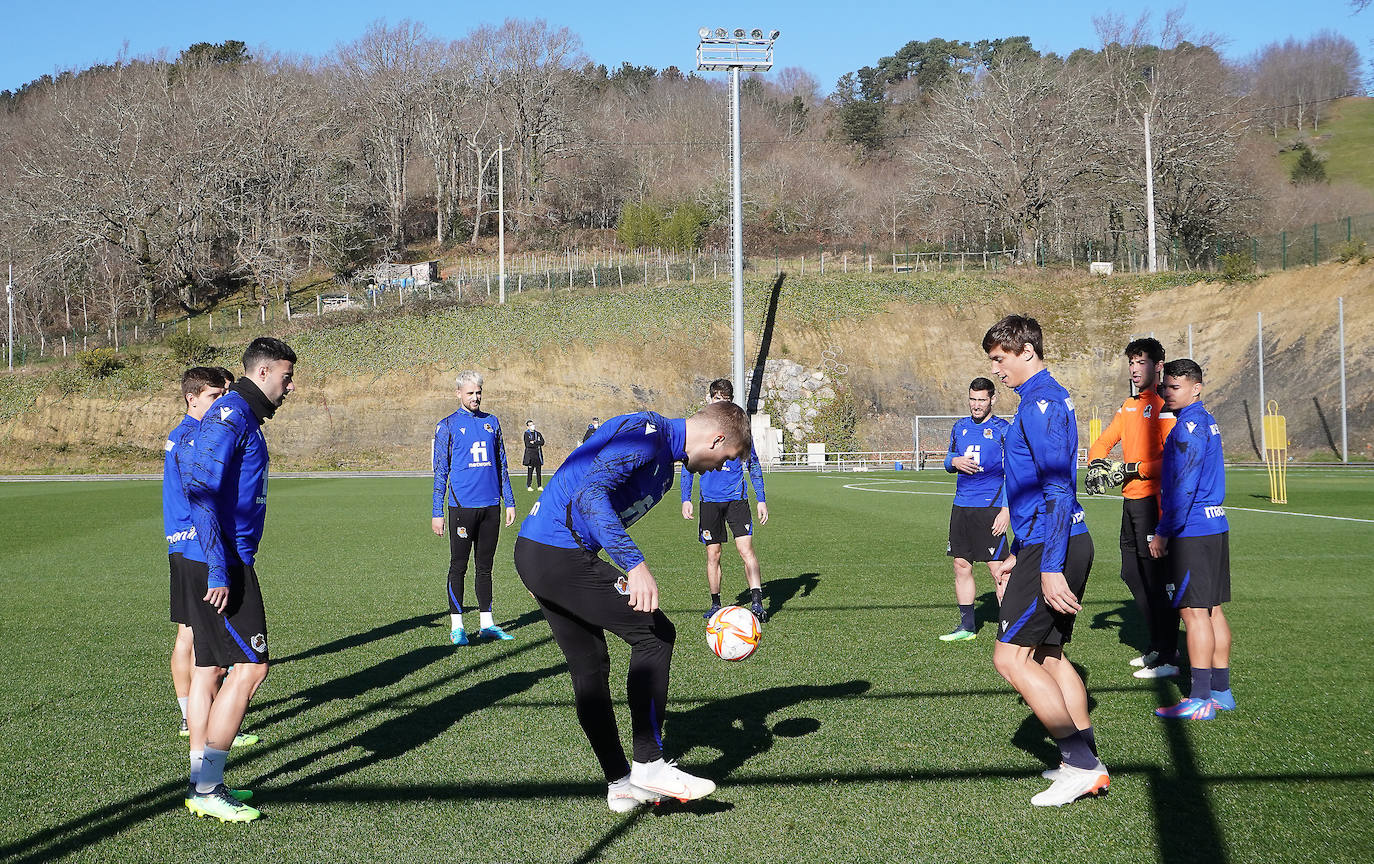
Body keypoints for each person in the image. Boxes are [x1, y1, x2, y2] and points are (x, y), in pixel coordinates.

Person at [514, 402, 751, 812]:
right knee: (655, 634)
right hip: (557, 553)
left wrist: (542, 573)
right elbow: (589, 492)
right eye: (725, 458)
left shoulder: (662, 453)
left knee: (589, 666)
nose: (717, 468)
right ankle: (649, 763)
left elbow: (576, 480)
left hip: (542, 553)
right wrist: (634, 564)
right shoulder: (646, 434)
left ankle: (620, 784)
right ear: (715, 440)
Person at [983, 315, 1108, 807]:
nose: (995, 370)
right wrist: (1020, 552)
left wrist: (1048, 563)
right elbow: (1037, 488)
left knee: (1009, 658)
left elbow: (1059, 488)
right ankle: (1084, 765)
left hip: (1054, 546)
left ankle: (1080, 763)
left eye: (1000, 358)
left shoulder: (1041, 403)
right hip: (1046, 542)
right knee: (1049, 656)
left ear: (1026, 352)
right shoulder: (1043, 399)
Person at [183, 337, 297, 822]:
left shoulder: (242, 415)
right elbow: (200, 489)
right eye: (287, 377)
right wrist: (218, 567)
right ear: (266, 371)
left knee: (214, 667)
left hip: (221, 558)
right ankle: (207, 790)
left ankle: (201, 782)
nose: (291, 387)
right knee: (251, 667)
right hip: (221, 562)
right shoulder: (232, 414)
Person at [1084, 338, 1180, 679]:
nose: (1135, 369)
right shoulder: (1129, 406)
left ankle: (1168, 654)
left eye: (1141, 362)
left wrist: (1132, 469)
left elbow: (1171, 460)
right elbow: (1103, 441)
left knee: (1156, 580)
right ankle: (1159, 643)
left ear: (1158, 366)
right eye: (1131, 363)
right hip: (1131, 501)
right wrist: (1097, 462)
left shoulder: (1165, 406)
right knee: (1131, 574)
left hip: (1153, 503)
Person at [1150, 359, 1235, 720]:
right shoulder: (1207, 420)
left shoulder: (1188, 426)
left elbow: (1183, 487)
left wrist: (1164, 532)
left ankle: (1200, 698)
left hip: (1193, 529)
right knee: (1213, 609)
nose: (1166, 392)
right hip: (1215, 525)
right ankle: (1221, 690)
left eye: (1175, 387)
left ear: (1196, 387)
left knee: (1193, 612)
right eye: (1166, 386)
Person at [431, 370, 517, 646]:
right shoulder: (447, 426)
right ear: (458, 394)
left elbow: (502, 464)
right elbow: (441, 472)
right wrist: (437, 512)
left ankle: (486, 624)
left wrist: (509, 501)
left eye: (478, 392)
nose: (475, 397)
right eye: (470, 393)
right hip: (461, 508)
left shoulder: (492, 422)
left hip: (490, 506)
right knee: (458, 566)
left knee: (485, 568)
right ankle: (457, 626)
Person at [164, 367, 228, 736]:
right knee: (196, 637)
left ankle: (195, 718)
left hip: (182, 542)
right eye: (213, 397)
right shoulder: (190, 435)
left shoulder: (182, 434)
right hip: (194, 544)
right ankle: (200, 720)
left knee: (190, 632)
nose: (219, 404)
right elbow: (201, 494)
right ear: (192, 397)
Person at [680, 379, 769, 622]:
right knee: (713, 554)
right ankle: (715, 603)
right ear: (711, 400)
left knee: (745, 550)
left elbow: (754, 464)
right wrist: (685, 498)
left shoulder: (740, 428)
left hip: (737, 500)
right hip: (709, 501)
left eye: (725, 401)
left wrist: (761, 499)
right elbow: (688, 464)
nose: (720, 405)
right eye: (717, 400)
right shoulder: (700, 428)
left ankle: (757, 602)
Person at [939, 377, 1011, 641]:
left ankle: (1009, 628)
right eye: (973, 399)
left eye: (982, 399)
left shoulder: (1004, 430)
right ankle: (967, 627)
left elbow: (1014, 474)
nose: (976, 405)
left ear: (992, 399)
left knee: (999, 569)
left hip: (990, 508)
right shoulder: (960, 427)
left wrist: (1006, 510)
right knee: (961, 565)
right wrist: (954, 460)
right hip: (961, 507)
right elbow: (948, 459)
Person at [522, 419, 546, 491]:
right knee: (530, 471)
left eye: (533, 424)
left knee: (538, 471)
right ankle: (529, 485)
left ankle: (539, 486)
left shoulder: (538, 434)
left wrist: (534, 442)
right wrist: (535, 443)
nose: (532, 426)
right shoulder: (526, 434)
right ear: (528, 427)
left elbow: (542, 442)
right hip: (530, 455)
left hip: (538, 455)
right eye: (530, 425)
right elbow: (528, 444)